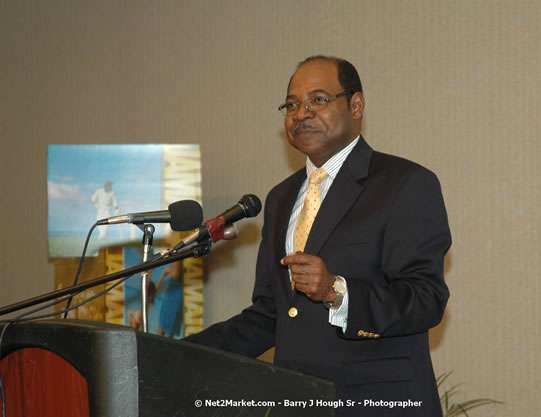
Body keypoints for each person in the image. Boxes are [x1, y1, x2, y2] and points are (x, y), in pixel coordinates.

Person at [184, 56, 451, 417]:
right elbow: (271, 314)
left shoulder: (404, 184)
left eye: (318, 100)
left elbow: (425, 299)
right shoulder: (280, 198)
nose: (301, 113)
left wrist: (336, 291)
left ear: (356, 105)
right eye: (292, 104)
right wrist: (180, 353)